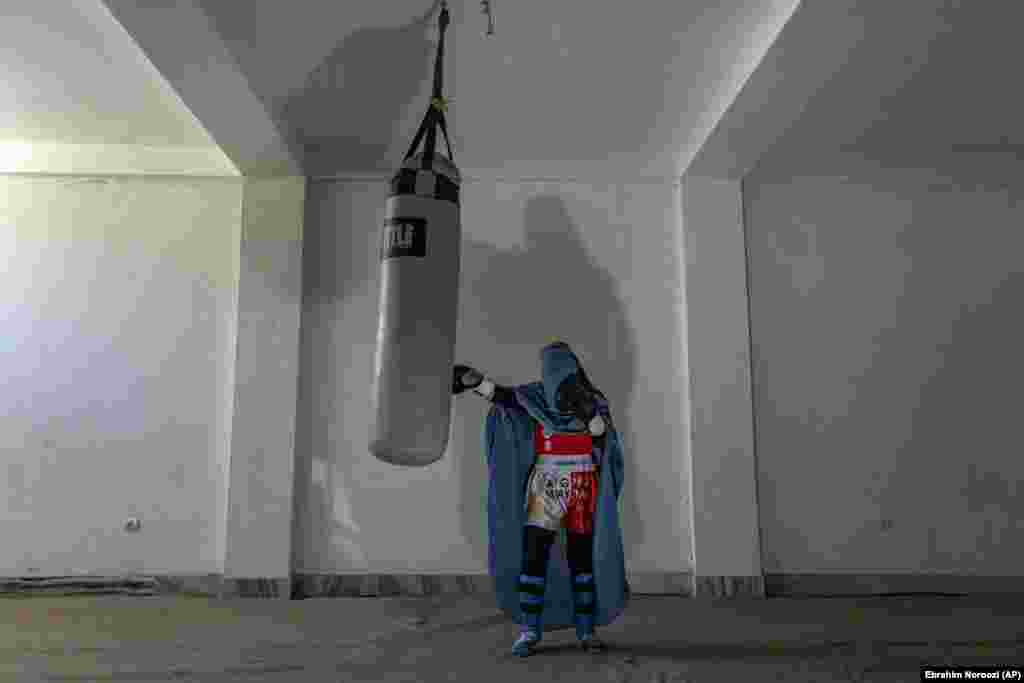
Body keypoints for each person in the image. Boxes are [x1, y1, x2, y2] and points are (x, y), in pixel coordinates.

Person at [452, 340, 629, 657]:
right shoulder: (534, 397)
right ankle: (529, 629)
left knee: (582, 559)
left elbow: (606, 443)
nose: (555, 382)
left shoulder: (595, 401)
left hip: (583, 487)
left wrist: (594, 420)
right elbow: (504, 397)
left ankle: (586, 630)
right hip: (545, 485)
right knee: (533, 555)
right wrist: (475, 381)